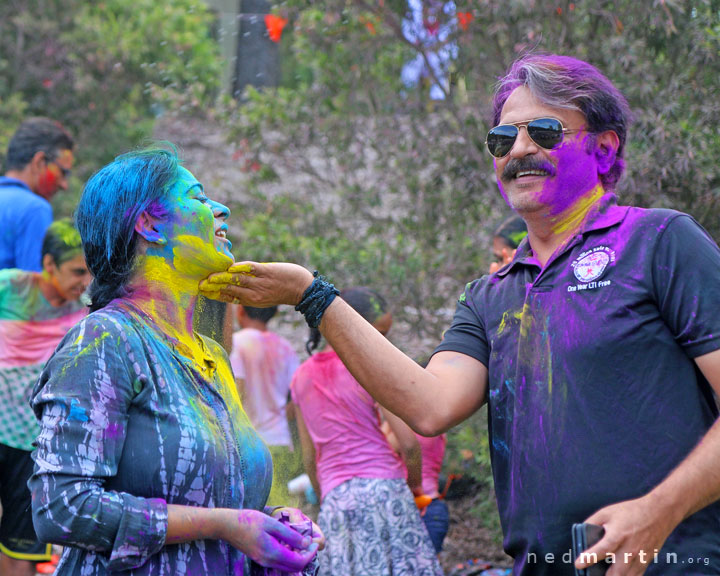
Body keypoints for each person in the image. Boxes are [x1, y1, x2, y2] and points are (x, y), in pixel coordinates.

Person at [200, 53, 720, 576]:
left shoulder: (658, 243)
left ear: (603, 148)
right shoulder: (490, 296)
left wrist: (659, 512)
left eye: (543, 131)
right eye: (502, 139)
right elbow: (427, 407)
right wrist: (313, 295)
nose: (519, 149)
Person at [28, 146, 322, 576]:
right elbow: (60, 507)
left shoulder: (213, 356)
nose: (220, 208)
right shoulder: (105, 339)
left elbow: (220, 502)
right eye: (199, 198)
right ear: (149, 224)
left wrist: (272, 520)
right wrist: (224, 525)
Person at [290, 287, 443, 576]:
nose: (382, 344)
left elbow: (310, 458)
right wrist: (414, 489)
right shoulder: (366, 367)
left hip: (336, 499)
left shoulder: (300, 377)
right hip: (386, 489)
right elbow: (409, 444)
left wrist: (329, 499)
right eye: (379, 334)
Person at [0, 219, 90, 576]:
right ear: (48, 264)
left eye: (90, 271)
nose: (85, 280)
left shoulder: (85, 309)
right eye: (76, 271)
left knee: (22, 546)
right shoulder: (10, 288)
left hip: (35, 445)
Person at [230, 304, 300, 506]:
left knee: (251, 512)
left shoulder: (237, 343)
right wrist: (277, 417)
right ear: (275, 313)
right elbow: (296, 400)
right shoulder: (286, 348)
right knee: (281, 511)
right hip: (280, 441)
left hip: (248, 444)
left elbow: (237, 392)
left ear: (240, 311)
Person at [0, 117, 75, 272]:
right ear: (39, 162)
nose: (64, 185)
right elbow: (34, 289)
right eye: (62, 172)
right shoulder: (34, 209)